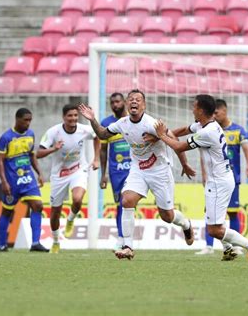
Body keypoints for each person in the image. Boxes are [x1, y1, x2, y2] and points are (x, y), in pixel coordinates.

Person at [78, 89, 196, 260]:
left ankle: (185, 224)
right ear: (127, 104)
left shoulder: (152, 124)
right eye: (131, 99)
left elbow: (175, 140)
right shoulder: (122, 123)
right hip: (138, 169)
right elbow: (103, 134)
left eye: (138, 99)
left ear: (144, 105)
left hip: (160, 171)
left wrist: (184, 164)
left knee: (167, 216)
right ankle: (128, 246)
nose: (134, 102)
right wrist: (93, 120)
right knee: (126, 200)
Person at [155, 94, 248, 261]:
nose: (192, 109)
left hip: (220, 182)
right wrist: (161, 135)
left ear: (201, 110)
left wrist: (162, 135)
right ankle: (228, 249)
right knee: (211, 216)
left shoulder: (208, 132)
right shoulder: (204, 125)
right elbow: (183, 131)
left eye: (194, 107)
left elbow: (179, 146)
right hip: (219, 179)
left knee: (214, 229)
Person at [37, 103, 100, 254]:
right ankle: (56, 241)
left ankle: (71, 219)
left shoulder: (84, 129)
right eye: (70, 116)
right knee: (55, 212)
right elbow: (38, 153)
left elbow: (98, 136)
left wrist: (96, 158)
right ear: (63, 117)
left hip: (78, 170)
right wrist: (54, 148)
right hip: (59, 175)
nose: (73, 119)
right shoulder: (53, 132)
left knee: (78, 199)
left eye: (75, 116)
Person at [195, 98, 248, 256]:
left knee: (231, 213)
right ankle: (215, 247)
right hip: (217, 177)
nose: (214, 115)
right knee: (212, 214)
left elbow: (246, 148)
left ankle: (243, 246)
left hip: (227, 177)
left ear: (225, 110)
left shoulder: (236, 130)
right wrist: (204, 173)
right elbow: (203, 155)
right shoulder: (209, 128)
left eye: (216, 112)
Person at [0, 108, 48, 252]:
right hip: (12, 181)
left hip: (28, 179)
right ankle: (2, 244)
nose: (28, 123)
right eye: (25, 120)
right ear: (17, 119)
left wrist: (39, 173)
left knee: (38, 205)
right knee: (7, 211)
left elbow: (32, 156)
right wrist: (4, 182)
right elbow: (0, 160)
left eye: (30, 120)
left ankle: (36, 242)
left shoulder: (30, 135)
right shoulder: (6, 137)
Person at [100, 93, 130, 250]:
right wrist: (103, 174)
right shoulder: (106, 123)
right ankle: (122, 237)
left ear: (124, 102)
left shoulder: (133, 119)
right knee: (121, 204)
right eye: (112, 102)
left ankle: (127, 237)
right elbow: (103, 150)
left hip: (135, 169)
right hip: (116, 170)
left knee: (128, 202)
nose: (115, 104)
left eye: (118, 101)